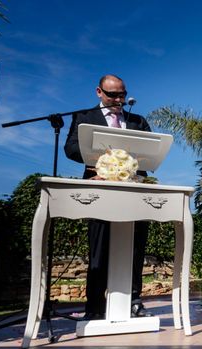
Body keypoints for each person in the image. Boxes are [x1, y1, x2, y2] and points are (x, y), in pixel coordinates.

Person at [64, 74, 152, 320]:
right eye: (113, 94)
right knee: (99, 248)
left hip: (134, 190)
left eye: (122, 94)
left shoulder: (138, 120)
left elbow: (151, 150)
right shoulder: (84, 117)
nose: (119, 99)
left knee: (135, 247)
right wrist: (100, 159)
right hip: (99, 188)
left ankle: (134, 301)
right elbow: (70, 148)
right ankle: (94, 306)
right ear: (99, 92)